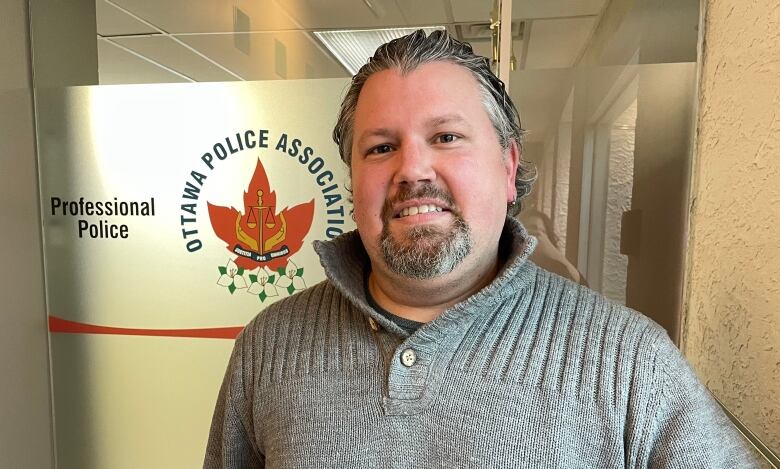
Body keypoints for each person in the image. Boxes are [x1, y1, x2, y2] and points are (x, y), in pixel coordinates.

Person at [204, 30, 756, 468]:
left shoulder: (630, 362)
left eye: (446, 137)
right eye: (381, 147)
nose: (412, 169)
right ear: (353, 180)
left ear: (508, 167)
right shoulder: (269, 346)